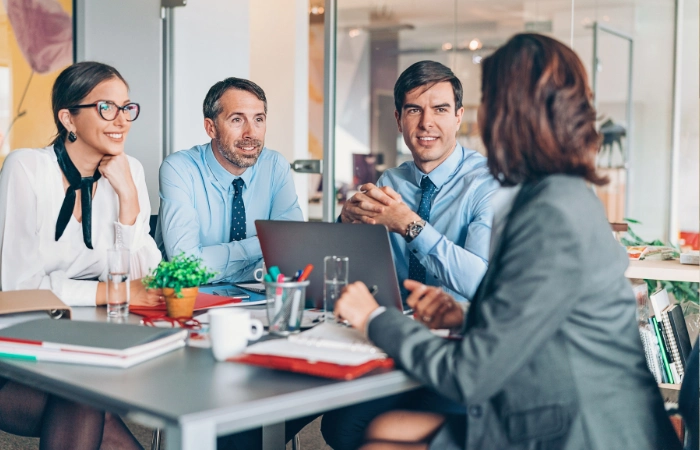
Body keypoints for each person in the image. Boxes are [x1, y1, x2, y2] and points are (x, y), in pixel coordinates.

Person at [332, 33, 682, 450]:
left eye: (491, 102)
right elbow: (537, 314)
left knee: (379, 440)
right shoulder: (554, 194)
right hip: (563, 399)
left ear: (514, 114)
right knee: (372, 428)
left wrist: (373, 318)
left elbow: (471, 374)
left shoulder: (548, 213)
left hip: (577, 427)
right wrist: (465, 318)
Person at [0, 61, 162, 448]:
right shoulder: (26, 168)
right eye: (106, 107)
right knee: (84, 392)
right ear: (68, 118)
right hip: (14, 353)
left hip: (84, 343)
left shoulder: (130, 171)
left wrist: (128, 200)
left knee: (86, 392)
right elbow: (19, 290)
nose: (121, 119)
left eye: (127, 108)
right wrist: (112, 292)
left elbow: (147, 273)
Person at [339, 60, 498, 303]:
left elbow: (481, 284)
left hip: (456, 327)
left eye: (440, 109)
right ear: (398, 120)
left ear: (458, 117)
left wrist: (409, 224)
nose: (426, 123)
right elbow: (360, 266)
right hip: (392, 320)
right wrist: (346, 224)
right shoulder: (391, 181)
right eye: (414, 110)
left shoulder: (488, 183)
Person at [156, 77, 303, 283]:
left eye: (258, 119)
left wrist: (210, 260)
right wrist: (265, 244)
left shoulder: (275, 166)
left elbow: (293, 253)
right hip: (189, 301)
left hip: (259, 300)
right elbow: (186, 267)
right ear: (211, 128)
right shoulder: (180, 169)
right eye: (237, 120)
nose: (251, 133)